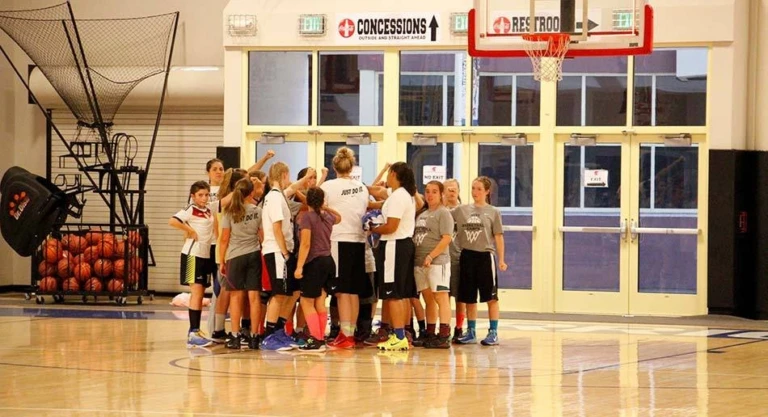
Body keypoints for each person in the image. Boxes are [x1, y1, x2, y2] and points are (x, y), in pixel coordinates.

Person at [320, 147, 371, 349]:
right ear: (352, 166)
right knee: (353, 292)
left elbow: (319, 208)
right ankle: (349, 334)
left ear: (334, 167)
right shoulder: (362, 188)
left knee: (341, 291)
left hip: (338, 240)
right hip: (358, 241)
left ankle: (345, 335)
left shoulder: (328, 186)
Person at [453, 176, 508, 346]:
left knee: (491, 297)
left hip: (485, 256)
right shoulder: (461, 210)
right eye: (473, 188)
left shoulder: (493, 212)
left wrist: (501, 259)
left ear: (486, 191)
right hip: (467, 256)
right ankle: (471, 331)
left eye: (478, 189)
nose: (475, 192)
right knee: (468, 297)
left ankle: (493, 332)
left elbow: (498, 237)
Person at [371, 162, 417, 351]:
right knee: (403, 293)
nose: (387, 178)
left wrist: (373, 228)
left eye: (389, 174)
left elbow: (391, 226)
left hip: (394, 245)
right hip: (403, 245)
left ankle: (398, 336)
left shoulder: (399, 197)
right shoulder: (403, 194)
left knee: (394, 293)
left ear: (395, 174)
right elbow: (379, 195)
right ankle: (402, 333)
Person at [169, 181, 218, 348]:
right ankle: (193, 332)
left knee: (201, 291)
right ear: (193, 196)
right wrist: (189, 231)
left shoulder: (209, 209)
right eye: (200, 195)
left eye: (206, 194)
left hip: (205, 255)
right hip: (192, 255)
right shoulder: (190, 209)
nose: (204, 198)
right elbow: (173, 221)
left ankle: (195, 331)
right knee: (196, 293)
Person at [294, 187, 341, 351]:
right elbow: (339, 218)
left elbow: (305, 244)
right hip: (328, 261)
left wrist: (299, 266)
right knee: (320, 301)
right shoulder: (327, 216)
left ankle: (316, 338)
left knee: (306, 302)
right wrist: (325, 207)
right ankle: (321, 338)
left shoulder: (307, 218)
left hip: (314, 262)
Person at [259, 162, 300, 351]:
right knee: (278, 293)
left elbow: (293, 188)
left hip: (282, 250)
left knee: (289, 292)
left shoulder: (279, 195)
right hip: (276, 250)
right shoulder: (274, 197)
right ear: (283, 175)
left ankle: (278, 330)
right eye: (288, 176)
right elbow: (276, 227)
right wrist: (285, 252)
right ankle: (269, 336)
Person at [219, 177, 262, 349]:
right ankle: (254, 336)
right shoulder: (257, 211)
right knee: (254, 296)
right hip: (253, 254)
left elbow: (224, 239)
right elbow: (262, 234)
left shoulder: (230, 211)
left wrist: (222, 260)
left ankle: (235, 336)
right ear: (251, 192)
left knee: (236, 297)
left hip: (235, 256)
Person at [413, 181, 454, 349]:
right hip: (420, 263)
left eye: (434, 192)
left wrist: (431, 255)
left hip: (437, 262)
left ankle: (444, 334)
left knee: (441, 297)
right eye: (428, 191)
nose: (430, 195)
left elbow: (447, 238)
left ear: (441, 194)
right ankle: (430, 332)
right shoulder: (422, 215)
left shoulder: (444, 214)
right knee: (427, 299)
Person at [443, 178, 466, 343]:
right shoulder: (439, 211)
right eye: (448, 189)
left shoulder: (464, 211)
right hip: (442, 259)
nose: (451, 191)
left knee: (460, 296)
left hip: (459, 258)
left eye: (454, 189)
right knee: (444, 296)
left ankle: (459, 327)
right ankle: (443, 326)